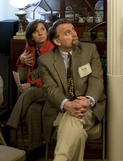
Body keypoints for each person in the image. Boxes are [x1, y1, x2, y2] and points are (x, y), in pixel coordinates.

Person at [38, 19, 106, 161]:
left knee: (73, 116)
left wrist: (89, 99)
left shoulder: (89, 50)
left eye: (73, 30)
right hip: (59, 110)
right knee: (77, 130)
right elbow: (50, 89)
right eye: (68, 33)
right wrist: (66, 104)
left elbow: (97, 78)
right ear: (57, 41)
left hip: (87, 107)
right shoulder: (45, 60)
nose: (75, 34)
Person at [1, 19, 54, 161]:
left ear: (47, 31)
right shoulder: (31, 47)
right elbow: (21, 59)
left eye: (43, 29)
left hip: (51, 89)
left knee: (29, 92)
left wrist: (30, 85)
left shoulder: (52, 48)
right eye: (36, 31)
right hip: (37, 92)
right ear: (31, 36)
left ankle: (7, 128)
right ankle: (37, 148)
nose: (41, 33)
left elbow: (51, 76)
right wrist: (22, 59)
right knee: (32, 110)